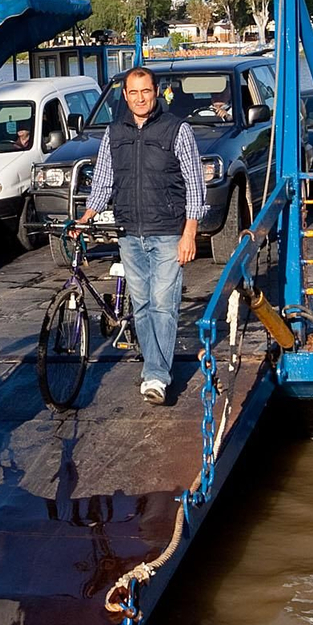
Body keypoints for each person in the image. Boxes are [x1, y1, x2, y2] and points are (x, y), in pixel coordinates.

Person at [70, 66, 207, 405]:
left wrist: (190, 232)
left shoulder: (177, 130)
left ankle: (156, 376)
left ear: (156, 91)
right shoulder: (114, 133)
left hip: (167, 232)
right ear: (125, 96)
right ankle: (154, 368)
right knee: (143, 306)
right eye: (133, 92)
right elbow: (102, 182)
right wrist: (86, 216)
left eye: (146, 91)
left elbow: (195, 184)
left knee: (163, 305)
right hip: (128, 232)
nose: (140, 98)